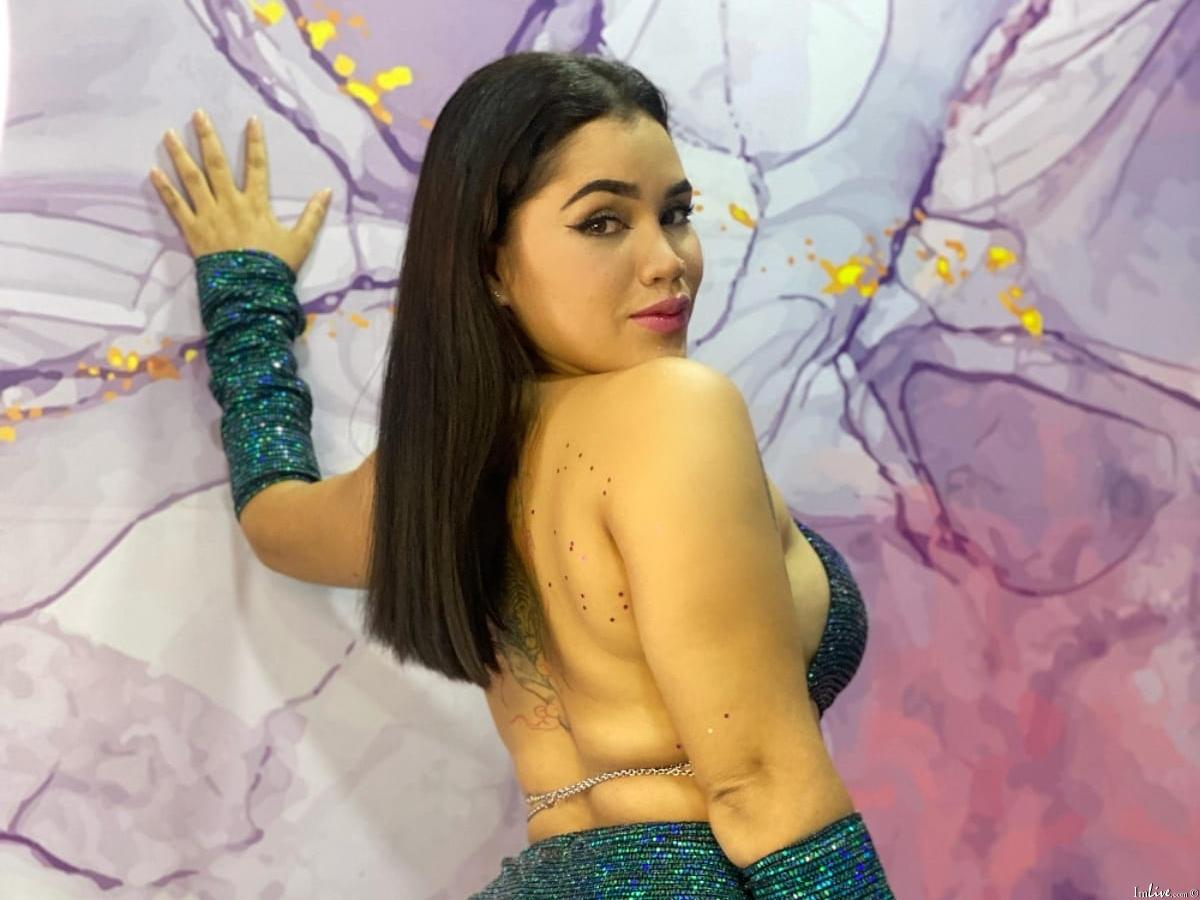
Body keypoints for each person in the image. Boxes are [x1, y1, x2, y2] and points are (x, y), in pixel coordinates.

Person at [150, 50, 895, 897]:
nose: (667, 260)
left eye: (675, 213)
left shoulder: (431, 474)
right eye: (603, 222)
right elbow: (760, 780)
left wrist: (244, 293)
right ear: (492, 265)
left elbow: (274, 517)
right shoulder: (675, 409)